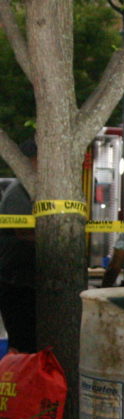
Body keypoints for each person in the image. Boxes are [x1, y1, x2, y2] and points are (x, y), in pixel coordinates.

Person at [0, 138, 38, 352]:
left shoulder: (30, 190)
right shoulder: (19, 192)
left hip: (26, 281)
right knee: (23, 344)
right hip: (17, 282)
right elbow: (23, 233)